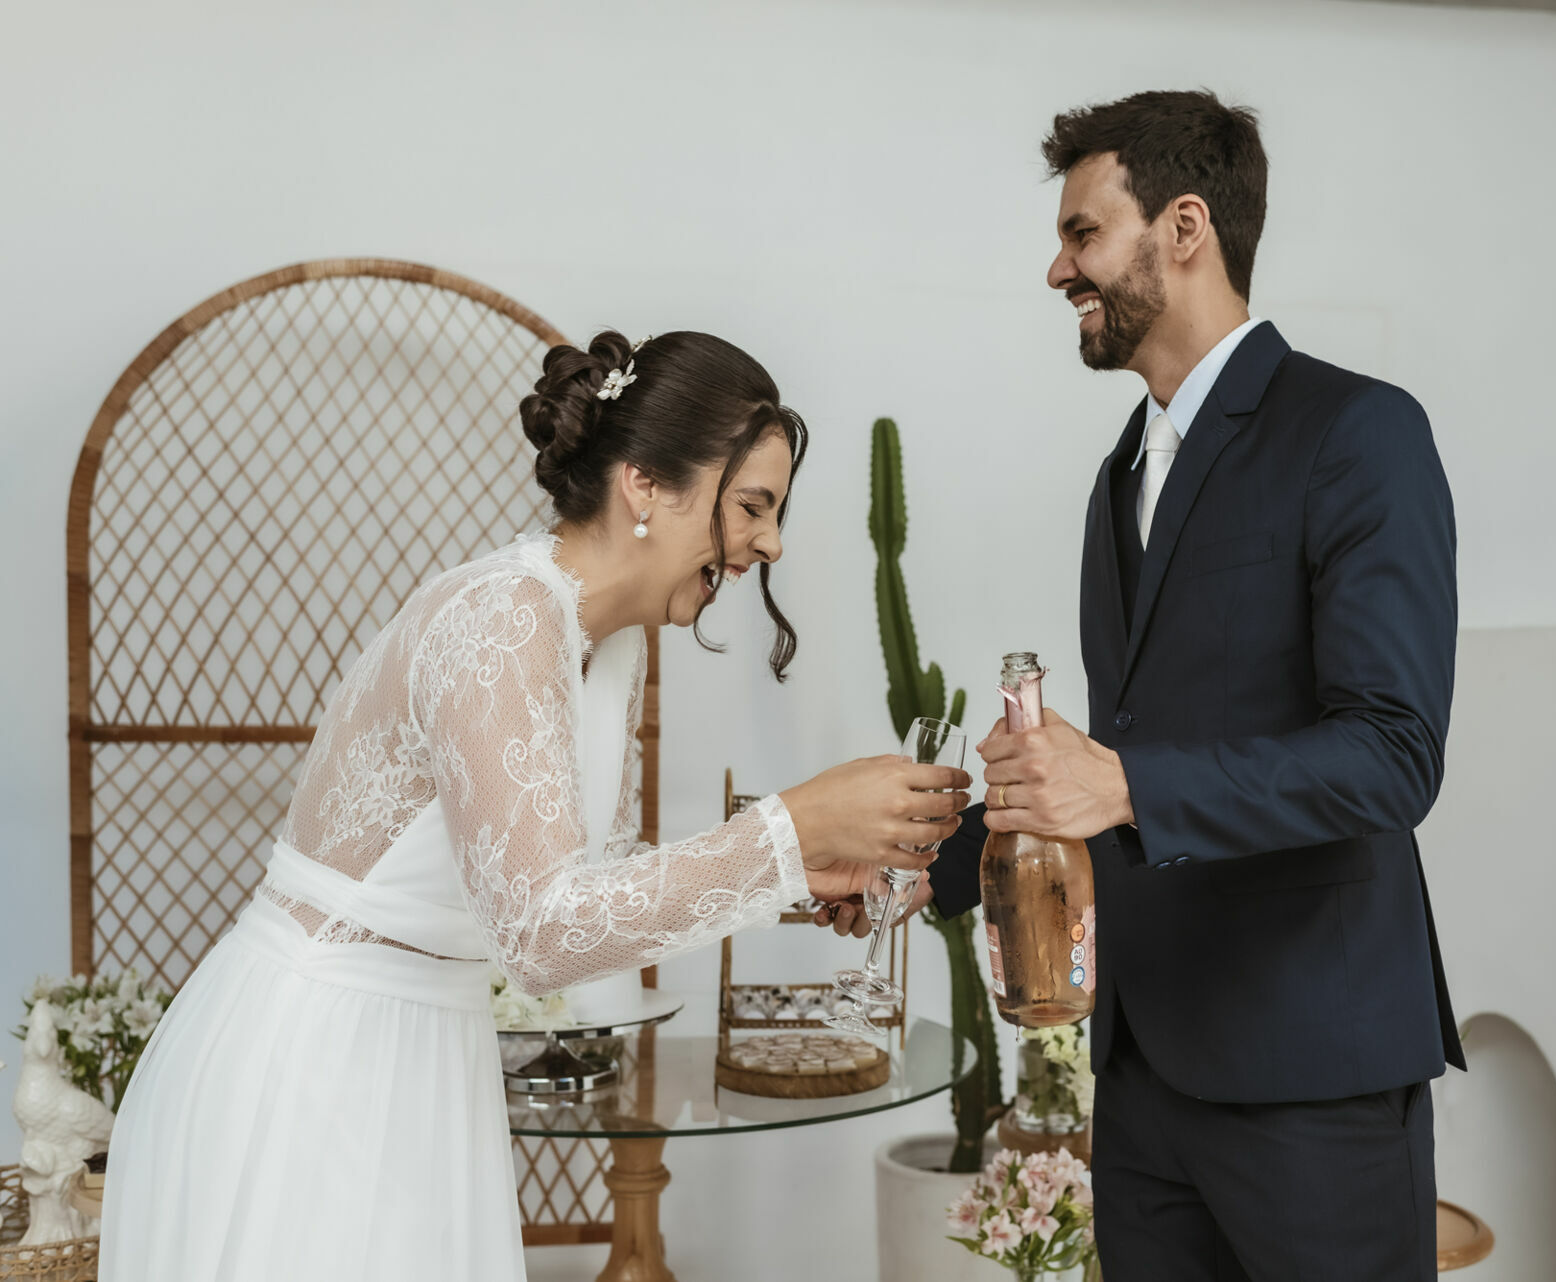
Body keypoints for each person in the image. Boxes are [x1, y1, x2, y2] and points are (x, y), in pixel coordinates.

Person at [99, 329, 970, 1282]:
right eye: (752, 505)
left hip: (428, 1053)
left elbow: (576, 879)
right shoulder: (504, 617)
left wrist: (801, 871)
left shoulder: (610, 644)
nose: (768, 543)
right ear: (643, 484)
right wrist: (792, 824)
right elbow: (541, 929)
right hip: (319, 1062)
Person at [887, 91, 1465, 1280]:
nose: (1059, 268)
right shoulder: (1119, 477)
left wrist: (1124, 779)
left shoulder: (1359, 432)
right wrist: (918, 866)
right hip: (1145, 1076)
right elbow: (1122, 770)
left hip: (1316, 1078)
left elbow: (1394, 752)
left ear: (1185, 226)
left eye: (1084, 233)